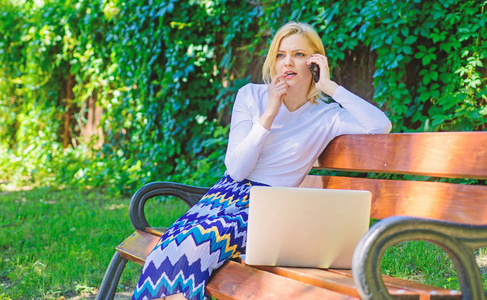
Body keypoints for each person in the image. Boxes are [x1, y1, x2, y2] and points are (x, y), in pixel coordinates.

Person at [132, 21, 392, 300]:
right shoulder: (251, 96)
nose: (288, 63)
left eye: (299, 55)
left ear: (315, 62)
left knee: (199, 244)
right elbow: (237, 169)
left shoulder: (326, 116)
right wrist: (269, 113)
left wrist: (330, 87)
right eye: (280, 55)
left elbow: (380, 125)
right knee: (170, 245)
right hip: (227, 193)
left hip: (271, 207)